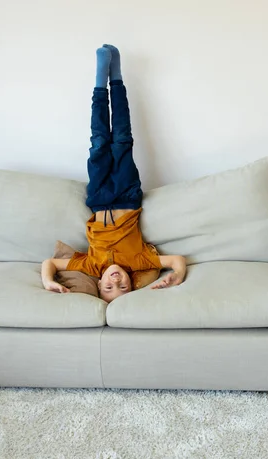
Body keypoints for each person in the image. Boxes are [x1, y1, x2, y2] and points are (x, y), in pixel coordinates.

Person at [41, 45, 186, 303]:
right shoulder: (140, 261)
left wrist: (49, 281)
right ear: (132, 282)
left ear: (98, 284)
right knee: (121, 139)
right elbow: (176, 260)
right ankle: (116, 77)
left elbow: (49, 263)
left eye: (108, 288)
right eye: (123, 288)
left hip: (98, 198)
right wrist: (176, 275)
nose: (116, 282)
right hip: (126, 195)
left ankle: (100, 81)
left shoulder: (91, 267)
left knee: (98, 142)